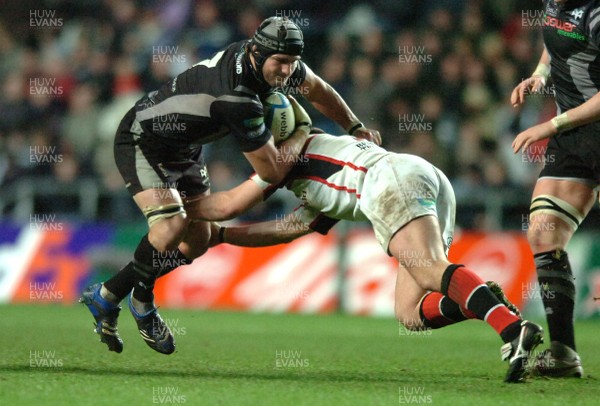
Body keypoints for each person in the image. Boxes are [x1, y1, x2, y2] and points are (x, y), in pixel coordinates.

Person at [79, 16, 381, 355]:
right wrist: (301, 131)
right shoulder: (237, 98)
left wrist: (354, 127)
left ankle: (106, 296)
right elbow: (271, 171)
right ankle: (142, 301)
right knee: (171, 228)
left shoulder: (276, 62)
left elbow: (319, 90)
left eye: (292, 63)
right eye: (280, 62)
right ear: (255, 52)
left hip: (185, 149)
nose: (286, 71)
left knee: (198, 241)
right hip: (143, 139)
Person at [190, 126, 544, 383]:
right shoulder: (317, 155)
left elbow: (231, 202)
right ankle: (484, 300)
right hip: (414, 174)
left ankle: (512, 328)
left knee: (430, 270)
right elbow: (290, 228)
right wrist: (224, 237)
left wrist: (182, 211)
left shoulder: (284, 159)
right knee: (409, 312)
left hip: (388, 182)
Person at [510, 0, 600, 378]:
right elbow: (555, 41)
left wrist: (548, 127)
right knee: (544, 233)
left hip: (572, 125)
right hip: (576, 135)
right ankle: (563, 353)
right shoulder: (554, 4)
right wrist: (541, 74)